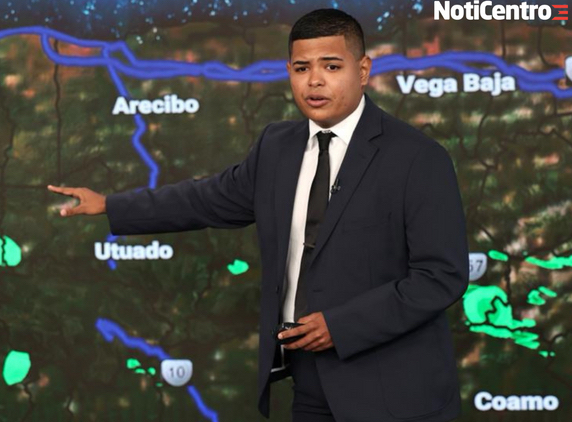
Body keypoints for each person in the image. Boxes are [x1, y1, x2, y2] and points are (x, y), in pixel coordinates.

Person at [48, 8, 469, 422]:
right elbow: (206, 199)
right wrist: (110, 205)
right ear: (288, 71)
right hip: (308, 383)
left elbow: (440, 276)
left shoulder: (417, 158)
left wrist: (342, 326)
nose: (315, 80)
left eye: (332, 65)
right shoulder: (277, 146)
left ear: (362, 70)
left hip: (393, 393)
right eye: (301, 68)